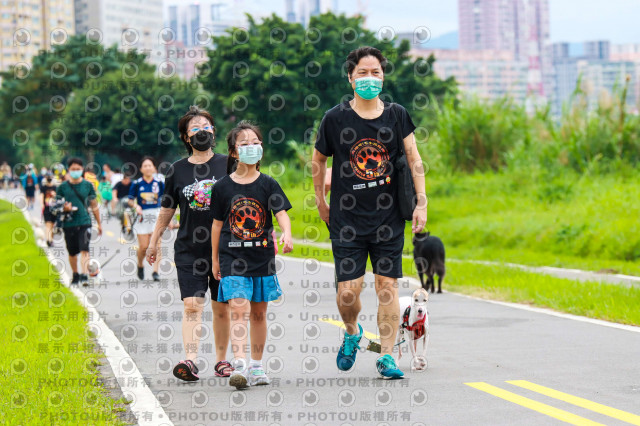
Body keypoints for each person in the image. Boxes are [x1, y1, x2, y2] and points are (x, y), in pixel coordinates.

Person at [311, 46, 428, 379]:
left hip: (387, 218)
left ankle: (387, 356)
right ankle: (352, 332)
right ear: (350, 78)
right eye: (362, 73)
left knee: (387, 288)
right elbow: (318, 160)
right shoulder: (335, 118)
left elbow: (414, 158)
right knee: (347, 293)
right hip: (346, 220)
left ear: (383, 77)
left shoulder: (397, 115)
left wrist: (422, 201)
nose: (369, 78)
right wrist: (320, 200)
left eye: (375, 72)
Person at [146, 105, 232, 381]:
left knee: (221, 306)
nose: (201, 132)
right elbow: (167, 209)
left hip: (224, 248)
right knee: (192, 304)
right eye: (195, 128)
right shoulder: (177, 170)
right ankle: (191, 361)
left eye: (206, 127)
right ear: (186, 136)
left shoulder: (229, 164)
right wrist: (154, 241)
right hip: (189, 249)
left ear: (214, 131)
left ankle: (222, 361)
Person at [211, 121, 293, 390]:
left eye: (256, 143)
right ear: (233, 151)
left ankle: (256, 365)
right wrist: (214, 259)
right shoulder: (222, 187)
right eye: (244, 144)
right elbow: (217, 226)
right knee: (238, 307)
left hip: (262, 258)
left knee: (258, 313)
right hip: (231, 258)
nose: (251, 147)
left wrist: (287, 233)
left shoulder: (268, 184)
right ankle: (240, 365)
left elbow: (281, 213)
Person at [56, 158, 103, 286]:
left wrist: (99, 223)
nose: (76, 171)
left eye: (78, 169)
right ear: (68, 170)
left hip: (84, 221)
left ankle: (84, 275)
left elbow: (94, 205)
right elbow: (55, 205)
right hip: (69, 222)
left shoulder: (88, 185)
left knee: (84, 249)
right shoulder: (62, 187)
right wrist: (64, 207)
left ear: (82, 170)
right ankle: (75, 274)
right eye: (73, 169)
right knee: (72, 252)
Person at [127, 156, 164, 282]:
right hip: (142, 217)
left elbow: (166, 200)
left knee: (157, 245)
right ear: (141, 169)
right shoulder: (137, 183)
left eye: (150, 165)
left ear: (154, 168)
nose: (148, 168)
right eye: (145, 166)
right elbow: (130, 200)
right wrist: (136, 206)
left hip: (156, 216)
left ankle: (155, 271)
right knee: (143, 247)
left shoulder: (159, 183)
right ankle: (140, 264)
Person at [40, 173, 58, 247]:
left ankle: (51, 239)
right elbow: (41, 196)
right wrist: (42, 204)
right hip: (46, 208)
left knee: (53, 225)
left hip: (54, 208)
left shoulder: (55, 187)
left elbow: (58, 198)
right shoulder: (43, 187)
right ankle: (48, 240)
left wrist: (55, 195)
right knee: (48, 224)